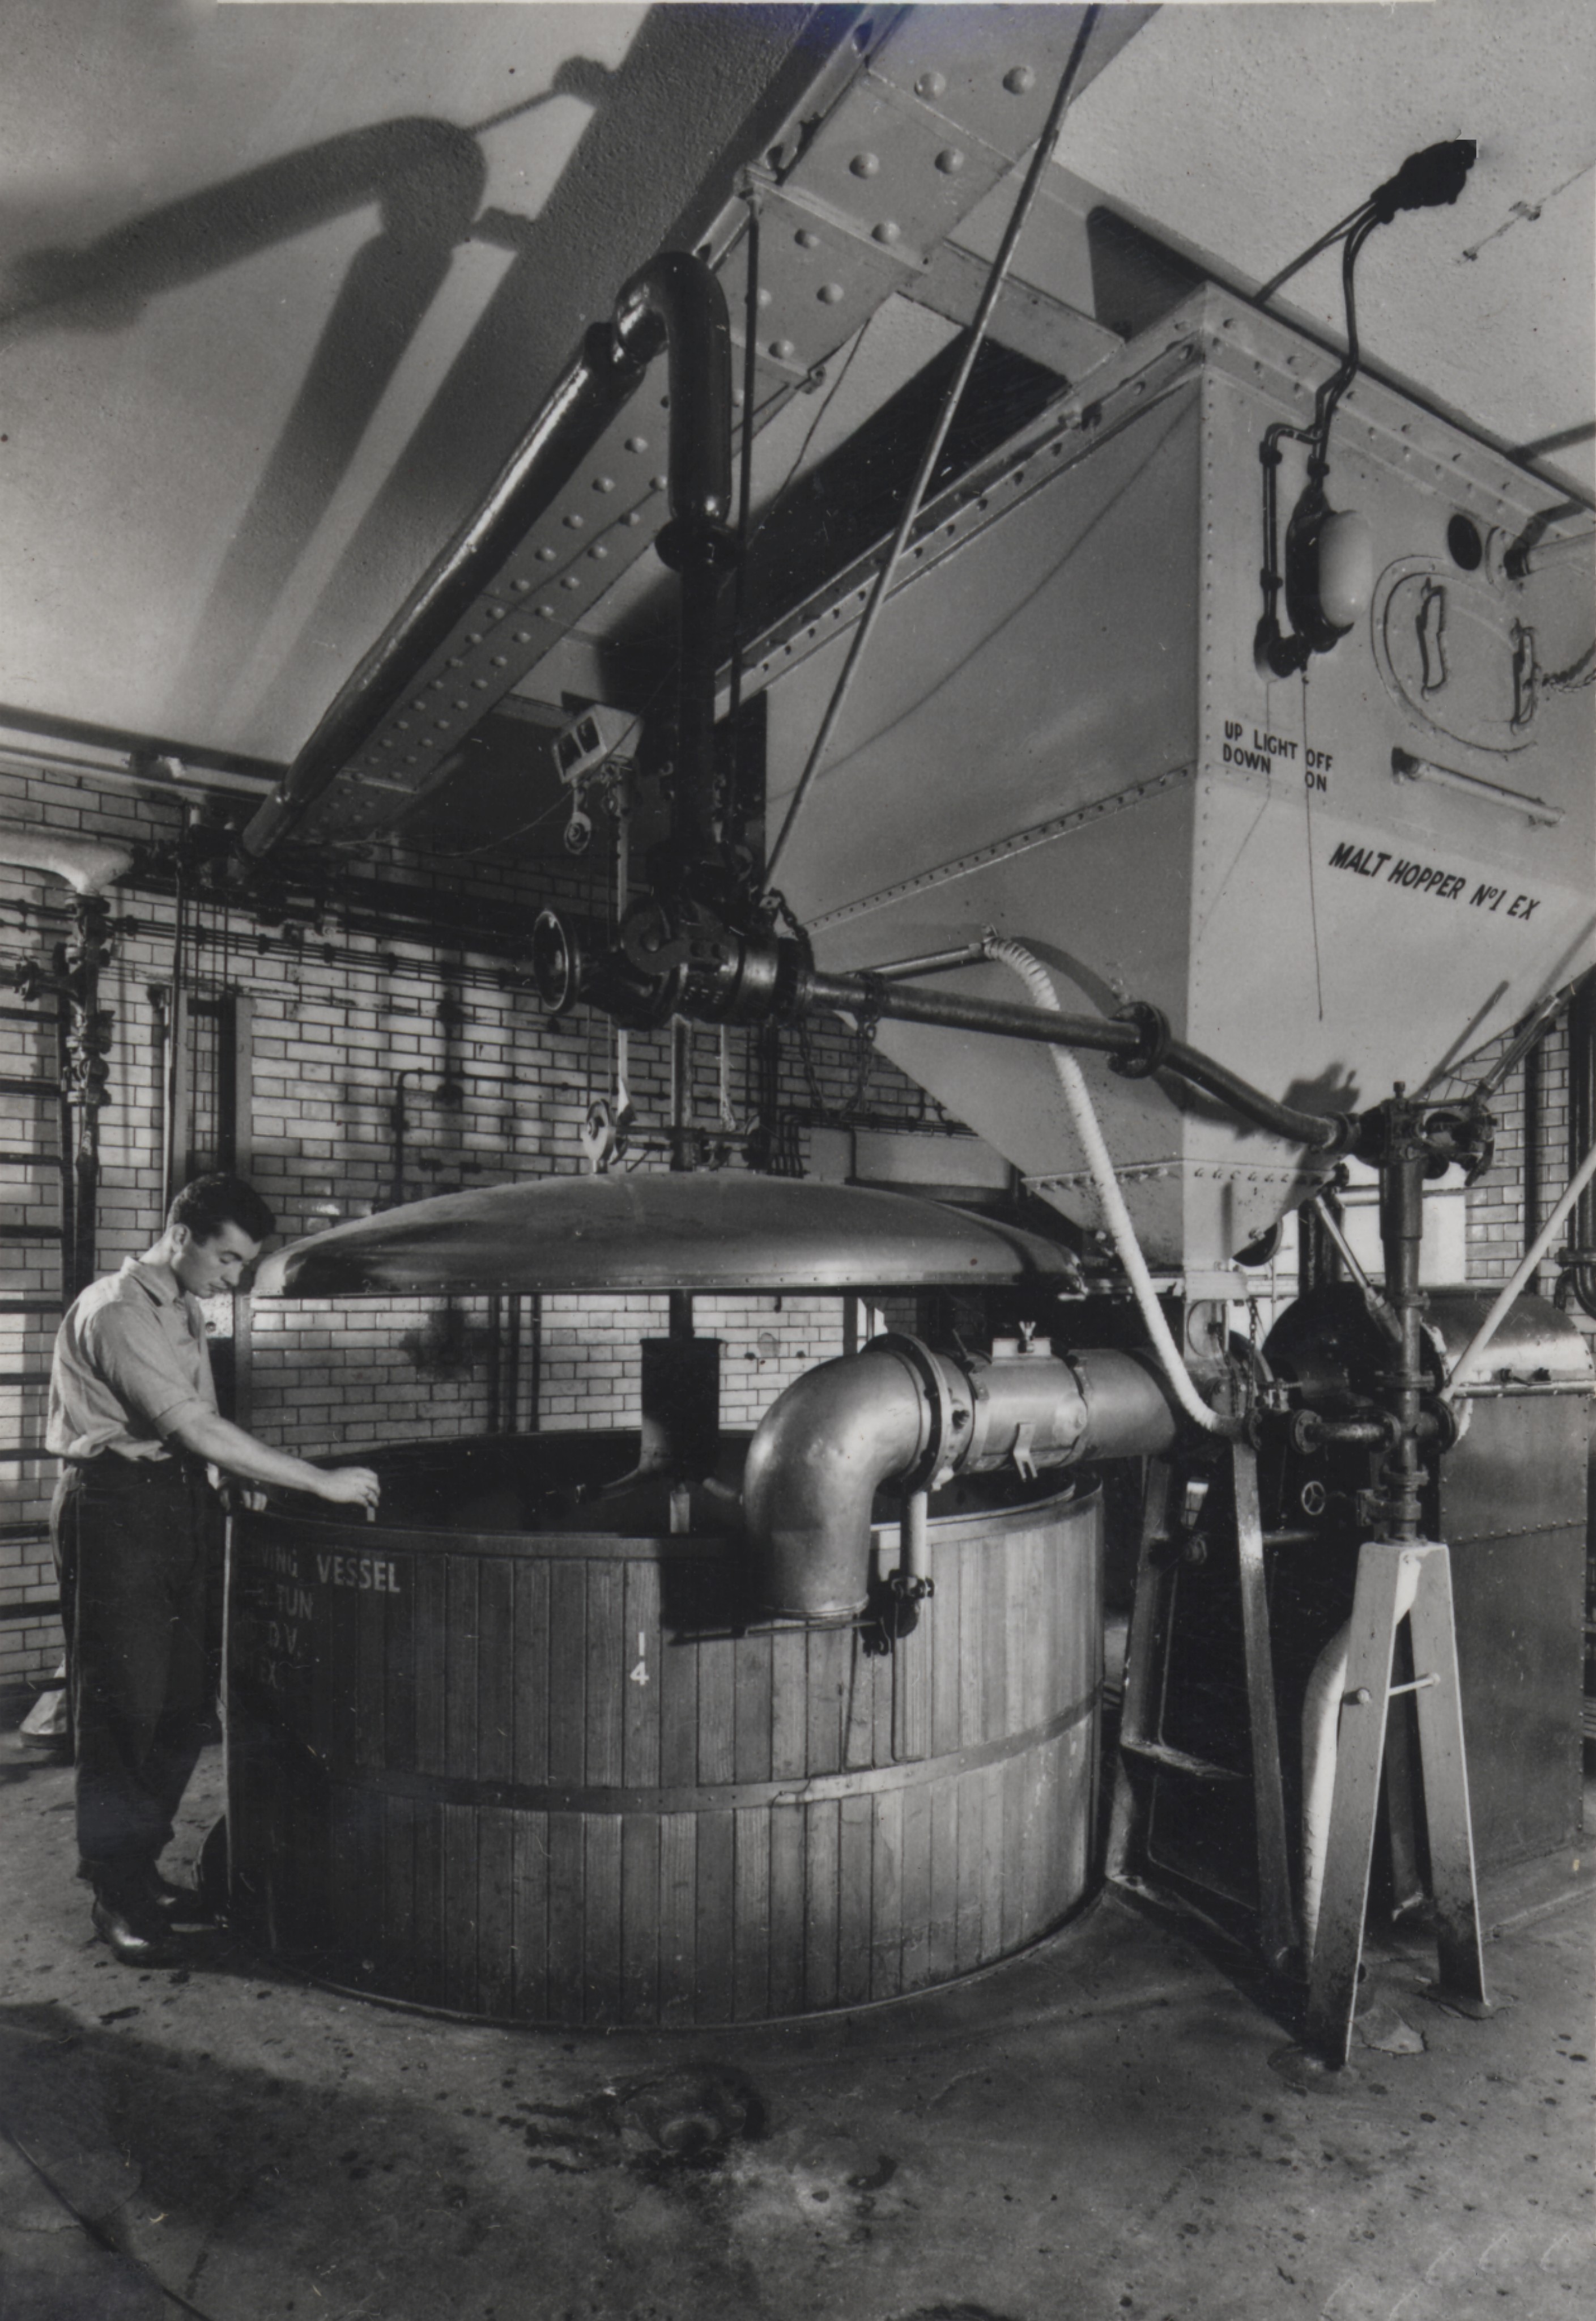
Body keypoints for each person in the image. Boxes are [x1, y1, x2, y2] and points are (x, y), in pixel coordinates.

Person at [46, 1174, 380, 1965]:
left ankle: (137, 1866)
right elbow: (191, 1422)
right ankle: (115, 1895)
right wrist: (316, 1479)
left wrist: (232, 1478)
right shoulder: (118, 1310)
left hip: (174, 1501)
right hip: (115, 1508)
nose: (233, 1278)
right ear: (181, 1236)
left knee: (185, 1702)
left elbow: (203, 1426)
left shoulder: (184, 1307)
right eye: (226, 1260)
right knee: (125, 1705)